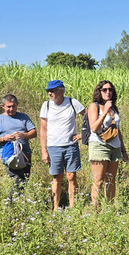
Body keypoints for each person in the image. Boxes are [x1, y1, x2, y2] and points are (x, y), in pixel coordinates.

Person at [39, 80, 86, 211]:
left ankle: (73, 207)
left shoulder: (72, 102)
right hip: (53, 146)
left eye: (53, 90)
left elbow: (88, 117)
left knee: (71, 176)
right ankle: (55, 207)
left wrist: (83, 134)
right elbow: (43, 129)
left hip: (71, 145)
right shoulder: (46, 105)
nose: (50, 93)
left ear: (62, 90)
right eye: (48, 91)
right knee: (56, 177)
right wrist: (44, 150)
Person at [0, 94, 37, 201]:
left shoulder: (24, 117)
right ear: (3, 106)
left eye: (13, 106)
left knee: (24, 180)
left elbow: (33, 132)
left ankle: (18, 203)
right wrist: (3, 138)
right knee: (17, 180)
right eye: (8, 106)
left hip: (25, 155)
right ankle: (12, 204)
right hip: (9, 156)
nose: (11, 109)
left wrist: (23, 135)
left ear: (17, 105)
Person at [86, 80, 129, 207]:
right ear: (99, 92)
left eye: (110, 89)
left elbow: (117, 130)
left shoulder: (114, 108)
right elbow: (93, 128)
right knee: (98, 180)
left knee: (111, 180)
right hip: (99, 145)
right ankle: (96, 210)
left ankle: (109, 208)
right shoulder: (94, 106)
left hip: (114, 146)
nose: (108, 92)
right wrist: (105, 112)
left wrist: (123, 150)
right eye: (104, 90)